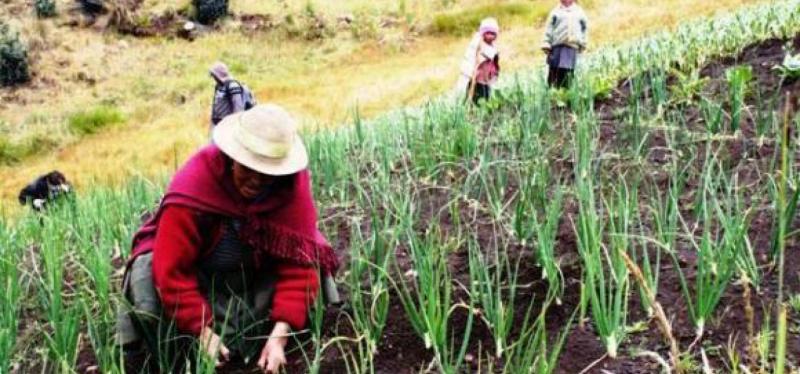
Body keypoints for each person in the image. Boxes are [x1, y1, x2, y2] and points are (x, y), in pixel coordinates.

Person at [116, 104, 339, 373]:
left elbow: (298, 266)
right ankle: (179, 350)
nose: (257, 179)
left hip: (255, 277)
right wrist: (201, 331)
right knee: (145, 270)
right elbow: (171, 271)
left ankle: (269, 337)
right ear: (232, 157)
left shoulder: (289, 185)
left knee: (311, 250)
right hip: (201, 280)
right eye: (248, 168)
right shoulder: (195, 185)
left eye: (267, 172)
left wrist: (279, 337)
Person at [541, 0, 588, 88]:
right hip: (557, 45)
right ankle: (553, 90)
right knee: (554, 68)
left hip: (572, 47)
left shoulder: (579, 12)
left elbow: (584, 28)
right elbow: (549, 28)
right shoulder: (555, 12)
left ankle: (566, 90)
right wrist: (546, 42)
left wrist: (583, 43)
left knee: (568, 70)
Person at [457, 18, 501, 105]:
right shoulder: (477, 43)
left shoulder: (492, 46)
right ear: (483, 33)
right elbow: (470, 59)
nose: (490, 36)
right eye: (488, 33)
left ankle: (485, 106)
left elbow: (494, 58)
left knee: (486, 94)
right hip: (475, 78)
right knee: (474, 95)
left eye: (493, 34)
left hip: (486, 78)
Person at [209, 62, 256, 127]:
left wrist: (234, 124)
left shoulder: (233, 85)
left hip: (229, 125)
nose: (213, 77)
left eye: (214, 75)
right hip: (220, 124)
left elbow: (238, 107)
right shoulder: (219, 86)